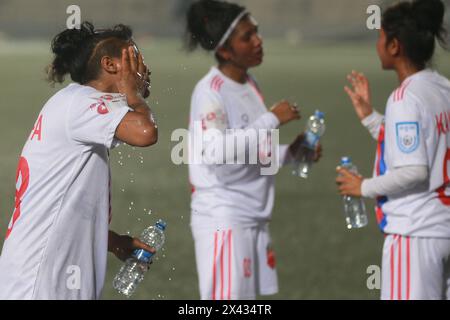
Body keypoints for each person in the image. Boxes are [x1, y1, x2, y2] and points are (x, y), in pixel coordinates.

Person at [0, 22, 158, 299]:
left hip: (42, 274)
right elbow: (145, 133)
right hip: (41, 281)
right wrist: (133, 94)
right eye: (135, 58)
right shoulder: (82, 103)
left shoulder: (74, 103)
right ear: (110, 65)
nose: (143, 68)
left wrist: (109, 240)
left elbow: (57, 202)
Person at [185, 0, 321, 300]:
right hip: (224, 219)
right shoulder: (210, 92)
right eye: (247, 36)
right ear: (224, 50)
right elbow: (216, 152)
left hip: (252, 218)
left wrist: (290, 154)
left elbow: (250, 153)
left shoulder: (249, 83)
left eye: (257, 32)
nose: (258, 41)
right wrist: (272, 118)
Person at [337, 0, 450, 300]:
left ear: (394, 46)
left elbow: (414, 169)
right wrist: (370, 118)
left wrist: (364, 186)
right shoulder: (442, 88)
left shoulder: (404, 97)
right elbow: (425, 141)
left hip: (415, 234)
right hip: (444, 230)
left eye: (380, 36)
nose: (378, 44)